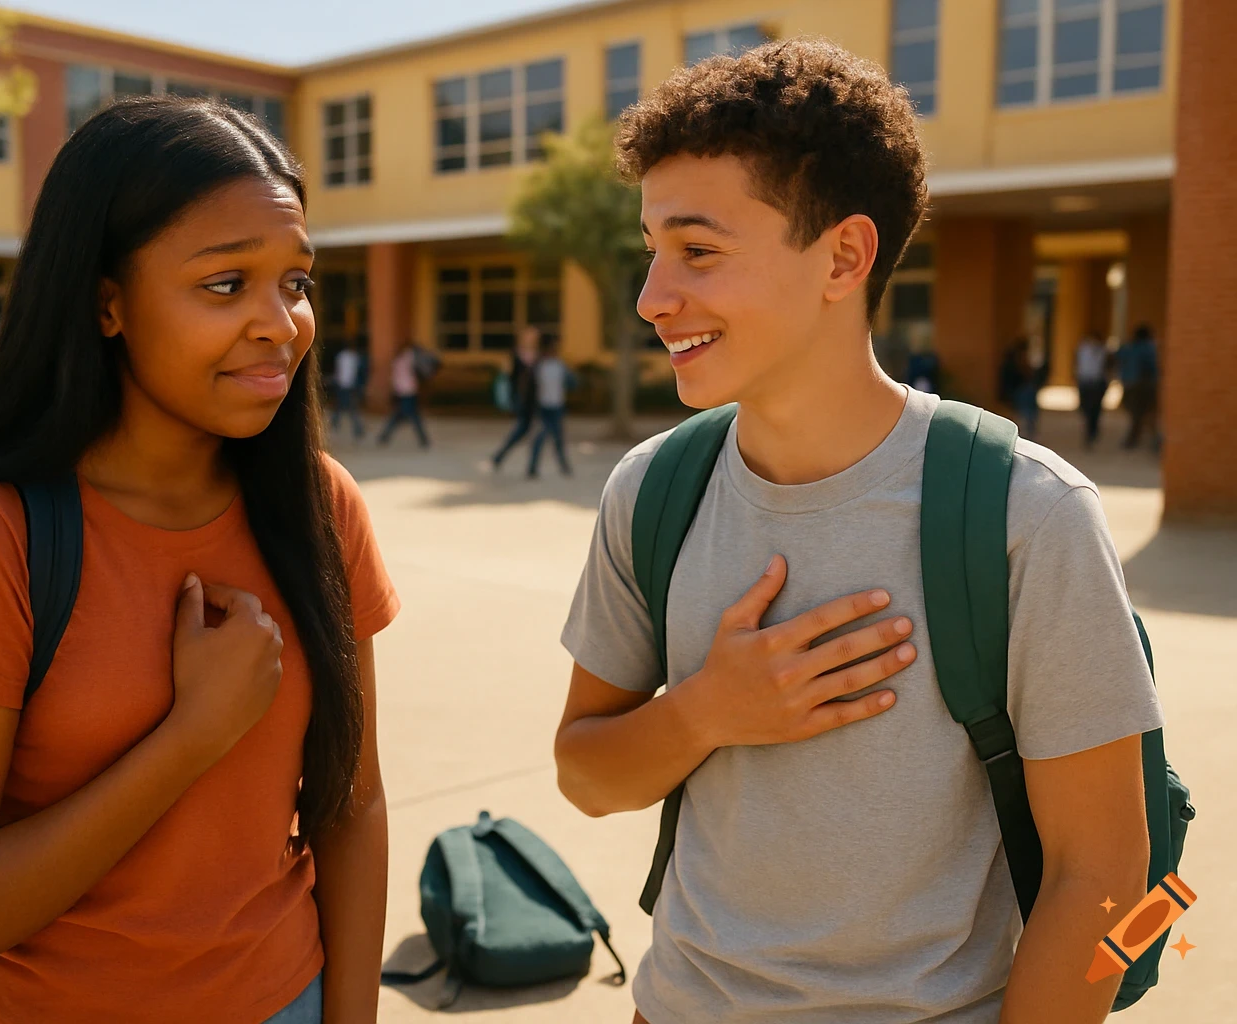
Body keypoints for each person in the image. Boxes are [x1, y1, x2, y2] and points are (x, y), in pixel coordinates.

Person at [553, 41, 1161, 1024]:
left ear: (843, 256)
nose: (653, 296)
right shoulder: (652, 490)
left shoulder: (1025, 512)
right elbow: (584, 774)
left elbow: (1103, 871)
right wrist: (707, 709)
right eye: (652, 249)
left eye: (698, 251)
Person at [0, 98, 399, 1024]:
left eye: (294, 282)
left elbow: (351, 803)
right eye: (225, 285)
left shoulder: (319, 505)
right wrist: (189, 738)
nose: (280, 323)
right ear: (107, 302)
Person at [490, 326, 542, 469]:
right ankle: (500, 456)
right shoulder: (515, 354)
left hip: (538, 399)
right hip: (523, 399)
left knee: (538, 432)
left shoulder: (539, 355)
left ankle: (531, 466)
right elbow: (509, 377)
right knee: (523, 430)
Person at [527, 333, 573, 478]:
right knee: (540, 438)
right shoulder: (540, 366)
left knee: (558, 438)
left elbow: (571, 382)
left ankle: (564, 466)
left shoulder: (559, 365)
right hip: (544, 407)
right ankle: (533, 467)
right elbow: (531, 387)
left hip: (557, 406)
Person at [376, 340, 430, 448]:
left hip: (400, 390)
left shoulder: (397, 359)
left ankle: (384, 436)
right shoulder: (410, 357)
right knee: (412, 416)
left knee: (399, 415)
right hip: (408, 391)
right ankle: (423, 439)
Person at [1119, 324, 1160, 451]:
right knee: (1146, 414)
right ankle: (1151, 441)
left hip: (1130, 384)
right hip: (1143, 385)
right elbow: (1152, 366)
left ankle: (1135, 439)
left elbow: (1119, 357)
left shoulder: (1129, 347)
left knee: (1136, 414)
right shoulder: (1147, 348)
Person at [1002, 337, 1043, 441]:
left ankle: (1027, 434)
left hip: (1023, 389)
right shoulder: (1018, 360)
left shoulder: (1015, 359)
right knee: (1027, 414)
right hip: (1022, 390)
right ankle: (1026, 435)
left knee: (1027, 415)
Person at [1076, 331, 1111, 448]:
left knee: (1095, 409)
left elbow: (1107, 367)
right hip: (1085, 382)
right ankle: (1089, 430)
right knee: (1085, 408)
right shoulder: (1083, 350)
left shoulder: (1103, 352)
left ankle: (1092, 432)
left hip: (1097, 383)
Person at [329, 338, 365, 441]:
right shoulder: (354, 357)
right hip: (349, 385)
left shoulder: (341, 356)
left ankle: (335, 423)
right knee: (350, 408)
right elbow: (358, 372)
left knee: (341, 406)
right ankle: (357, 429)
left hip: (342, 384)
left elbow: (338, 370)